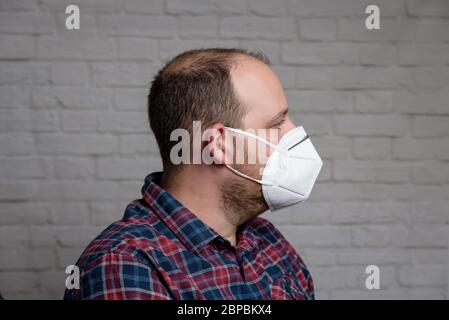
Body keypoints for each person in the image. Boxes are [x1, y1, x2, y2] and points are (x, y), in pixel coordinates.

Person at [64, 48, 323, 300]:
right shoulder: (124, 266)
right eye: (276, 124)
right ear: (219, 145)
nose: (294, 134)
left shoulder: (269, 242)